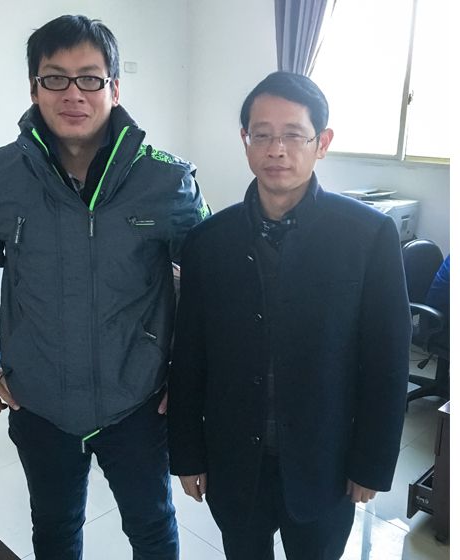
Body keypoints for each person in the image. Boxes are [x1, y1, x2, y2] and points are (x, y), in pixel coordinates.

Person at [0, 14, 209, 559]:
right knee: (55, 527)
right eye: (55, 78)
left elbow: (211, 288)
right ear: (34, 88)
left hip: (138, 402)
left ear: (114, 87)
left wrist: (188, 379)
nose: (73, 94)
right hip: (39, 399)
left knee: (152, 528)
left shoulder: (167, 180)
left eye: (89, 78)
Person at [167, 71, 411, 560]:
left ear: (322, 142)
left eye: (294, 135)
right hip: (235, 461)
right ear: (245, 140)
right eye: (262, 134)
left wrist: (371, 463)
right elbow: (189, 355)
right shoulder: (208, 242)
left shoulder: (367, 236)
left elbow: (387, 359)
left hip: (326, 463)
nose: (277, 149)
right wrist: (187, 453)